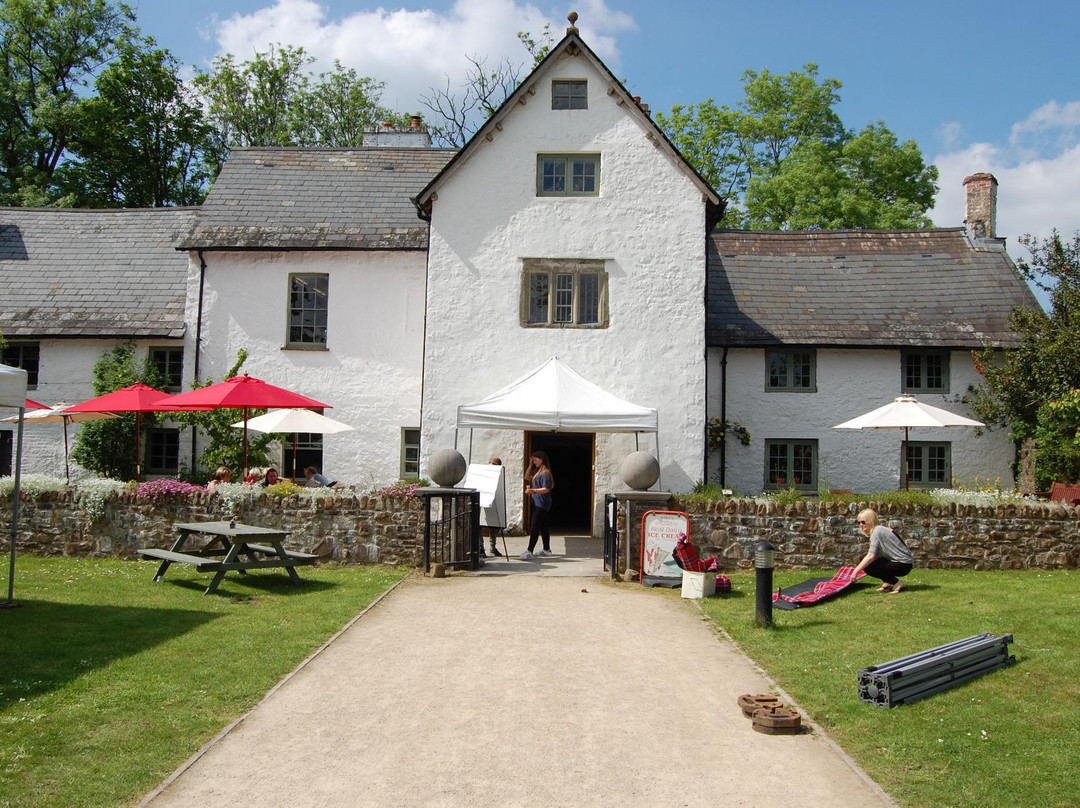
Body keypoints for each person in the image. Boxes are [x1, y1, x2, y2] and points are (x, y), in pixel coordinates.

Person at [851, 509, 914, 593]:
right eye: (859, 523)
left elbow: (871, 556)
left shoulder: (876, 532)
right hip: (905, 564)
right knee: (863, 558)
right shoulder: (880, 530)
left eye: (863, 522)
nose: (861, 525)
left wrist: (855, 572)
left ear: (870, 520)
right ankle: (888, 582)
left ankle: (897, 583)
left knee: (867, 565)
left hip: (902, 565)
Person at [520, 451, 554, 560]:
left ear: (541, 459)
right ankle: (547, 549)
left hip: (542, 503)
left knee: (534, 527)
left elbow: (546, 489)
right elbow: (526, 477)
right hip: (537, 502)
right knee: (543, 526)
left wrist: (533, 491)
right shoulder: (537, 471)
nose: (534, 462)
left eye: (535, 460)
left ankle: (529, 550)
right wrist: (530, 464)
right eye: (533, 460)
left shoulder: (545, 473)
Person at [482, 457, 503, 557]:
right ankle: (481, 548)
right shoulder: (483, 474)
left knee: (494, 526)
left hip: (494, 502)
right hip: (484, 501)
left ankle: (492, 548)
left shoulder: (499, 475)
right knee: (481, 525)